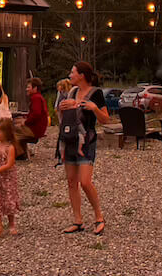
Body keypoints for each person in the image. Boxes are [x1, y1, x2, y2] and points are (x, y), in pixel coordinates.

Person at [59, 62, 109, 236]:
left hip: (87, 141)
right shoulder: (71, 92)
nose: (70, 75)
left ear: (81, 75)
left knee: (85, 181)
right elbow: (64, 117)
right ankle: (77, 220)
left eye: (72, 72)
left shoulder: (96, 93)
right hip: (70, 139)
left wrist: (94, 108)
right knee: (71, 182)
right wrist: (63, 108)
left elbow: (105, 120)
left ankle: (99, 217)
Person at [13, 77, 48, 158]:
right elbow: (34, 114)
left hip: (35, 130)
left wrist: (25, 122)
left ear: (35, 88)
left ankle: (19, 153)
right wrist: (24, 119)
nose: (26, 89)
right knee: (16, 124)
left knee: (11, 131)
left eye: (28, 87)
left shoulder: (36, 98)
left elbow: (36, 114)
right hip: (37, 128)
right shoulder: (38, 97)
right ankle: (22, 152)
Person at [53, 78, 72, 165]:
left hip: (66, 118)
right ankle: (61, 155)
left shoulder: (68, 95)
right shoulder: (61, 94)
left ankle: (63, 155)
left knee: (64, 136)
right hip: (62, 117)